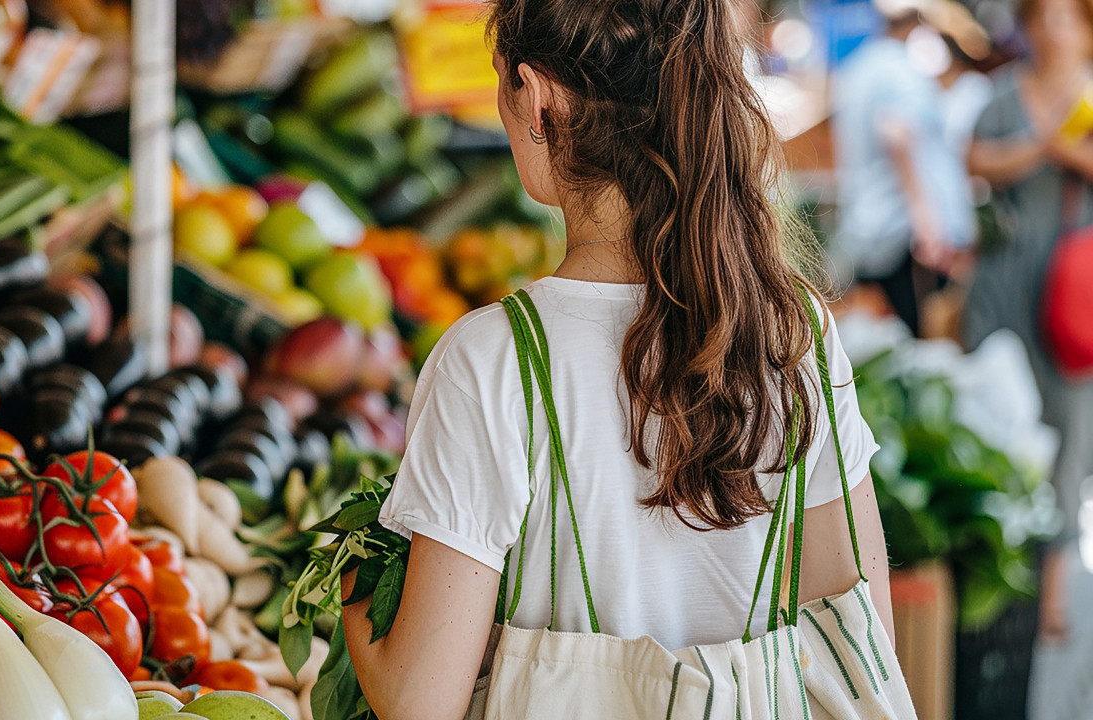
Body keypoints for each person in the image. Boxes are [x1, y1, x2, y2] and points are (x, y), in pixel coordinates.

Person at [340, 1, 895, 718]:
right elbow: (860, 633)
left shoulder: (491, 359)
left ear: (538, 97)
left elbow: (420, 702)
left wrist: (355, 583)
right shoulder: (795, 333)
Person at [965, 0, 1093, 641]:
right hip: (1004, 284)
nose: (1053, 30)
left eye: (1067, 18)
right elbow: (975, 162)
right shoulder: (1000, 96)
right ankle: (1002, 578)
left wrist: (1068, 154)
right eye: (1042, 17)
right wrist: (1040, 147)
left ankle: (1054, 594)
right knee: (1001, 426)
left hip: (1074, 294)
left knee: (1070, 433)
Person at [831, 0, 977, 336]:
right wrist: (927, 221)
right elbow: (896, 133)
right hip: (904, 235)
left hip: (871, 228)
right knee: (917, 341)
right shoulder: (900, 69)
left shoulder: (858, 68)